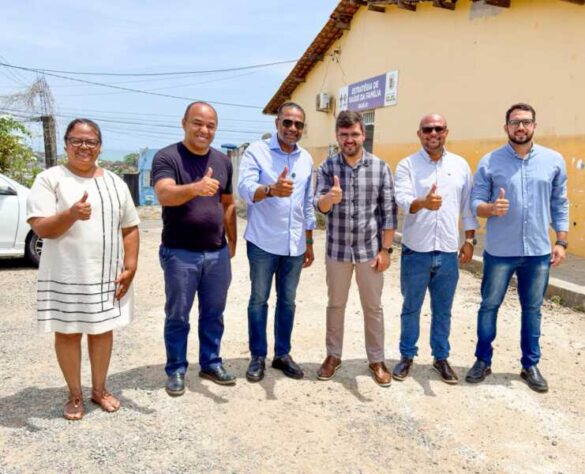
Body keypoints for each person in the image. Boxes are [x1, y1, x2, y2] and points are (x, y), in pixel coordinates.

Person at [27, 118, 140, 420]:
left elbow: (130, 227)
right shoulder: (50, 179)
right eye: (76, 140)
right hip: (65, 275)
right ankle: (74, 394)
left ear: (99, 147)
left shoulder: (115, 183)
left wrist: (130, 266)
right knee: (67, 333)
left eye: (90, 142)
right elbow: (42, 228)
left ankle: (99, 389)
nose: (83, 147)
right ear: (66, 144)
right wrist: (71, 214)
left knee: (102, 331)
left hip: (105, 275)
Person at [465, 103, 569, 393]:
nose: (520, 127)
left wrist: (561, 241)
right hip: (500, 251)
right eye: (514, 122)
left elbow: (560, 203)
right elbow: (475, 202)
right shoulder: (490, 161)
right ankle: (482, 360)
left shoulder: (553, 160)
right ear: (506, 127)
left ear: (534, 125)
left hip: (537, 252)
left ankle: (530, 364)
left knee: (532, 309)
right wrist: (490, 208)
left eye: (525, 122)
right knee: (489, 305)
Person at [152, 101, 237, 396]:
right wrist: (195, 188)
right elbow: (164, 194)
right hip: (180, 253)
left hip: (217, 253)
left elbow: (227, 204)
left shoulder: (223, 161)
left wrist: (232, 241)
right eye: (198, 123)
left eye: (210, 125)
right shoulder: (168, 157)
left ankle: (211, 363)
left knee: (214, 313)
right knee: (178, 315)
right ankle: (176, 369)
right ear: (184, 123)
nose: (204, 130)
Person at [392, 114, 479, 385]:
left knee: (443, 310)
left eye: (438, 129)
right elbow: (402, 200)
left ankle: (441, 357)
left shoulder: (460, 165)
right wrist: (423, 203)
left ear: (446, 132)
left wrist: (469, 240)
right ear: (419, 133)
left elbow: (468, 206)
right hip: (415, 251)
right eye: (427, 129)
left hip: (447, 251)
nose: (433, 133)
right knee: (411, 307)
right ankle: (407, 356)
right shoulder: (407, 165)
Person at [314, 110, 397, 387]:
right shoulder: (327, 168)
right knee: (335, 304)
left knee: (373, 307)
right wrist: (330, 197)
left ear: (363, 135)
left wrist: (386, 250)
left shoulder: (380, 167)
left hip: (369, 252)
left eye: (354, 134)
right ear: (337, 136)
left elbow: (388, 213)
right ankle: (333, 356)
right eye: (344, 134)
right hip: (337, 251)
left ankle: (377, 360)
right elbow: (319, 206)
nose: (349, 139)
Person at [238, 102, 316, 382]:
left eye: (298, 124)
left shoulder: (306, 159)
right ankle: (257, 356)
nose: (293, 128)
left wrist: (309, 240)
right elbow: (245, 189)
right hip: (263, 242)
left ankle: (282, 354)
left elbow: (307, 203)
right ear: (277, 123)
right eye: (287, 122)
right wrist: (271, 190)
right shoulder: (257, 152)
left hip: (295, 245)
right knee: (259, 300)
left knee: (288, 301)